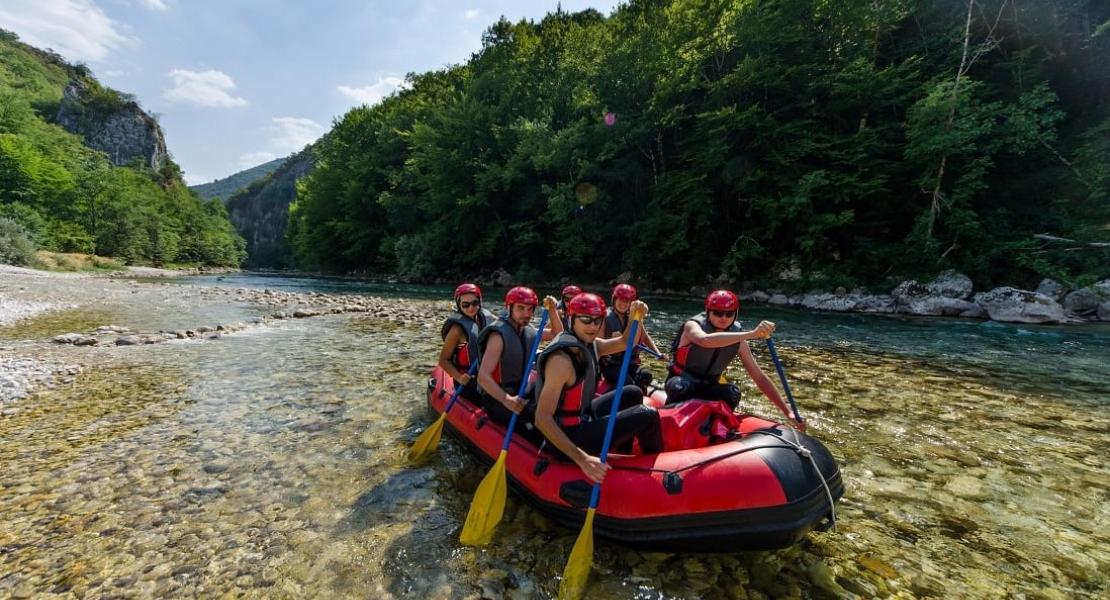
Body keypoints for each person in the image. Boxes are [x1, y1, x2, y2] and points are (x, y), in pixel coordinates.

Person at [532, 293, 663, 484]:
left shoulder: (591, 344)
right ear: (571, 318)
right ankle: (658, 472)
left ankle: (622, 453)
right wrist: (582, 459)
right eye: (586, 320)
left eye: (597, 321)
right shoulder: (561, 361)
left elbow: (626, 342)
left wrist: (637, 316)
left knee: (633, 392)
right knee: (648, 414)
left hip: (582, 416)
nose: (593, 326)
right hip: (567, 437)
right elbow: (541, 419)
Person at [666, 290, 799, 428]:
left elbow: (760, 378)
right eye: (718, 313)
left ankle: (715, 429)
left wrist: (787, 411)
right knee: (680, 388)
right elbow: (704, 340)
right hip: (684, 381)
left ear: (735, 314)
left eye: (729, 314)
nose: (724, 318)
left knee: (732, 393)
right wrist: (752, 334)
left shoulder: (739, 340)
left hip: (709, 387)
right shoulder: (692, 326)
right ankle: (671, 426)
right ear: (708, 311)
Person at [476, 286, 562, 425]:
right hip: (498, 399)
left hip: (522, 388)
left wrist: (552, 310)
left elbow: (556, 334)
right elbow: (482, 376)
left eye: (530, 309)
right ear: (509, 308)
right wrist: (506, 399)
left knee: (555, 396)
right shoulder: (498, 336)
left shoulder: (529, 331)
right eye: (520, 308)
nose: (526, 314)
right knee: (540, 413)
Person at [437, 283, 496, 402]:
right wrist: (459, 377)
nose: (471, 308)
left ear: (480, 301)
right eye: (465, 305)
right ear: (459, 305)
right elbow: (443, 360)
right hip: (469, 379)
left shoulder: (486, 317)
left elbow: (508, 325)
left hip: (487, 373)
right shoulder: (457, 330)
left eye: (475, 303)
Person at [599, 284, 662, 392]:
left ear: (631, 303)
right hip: (612, 364)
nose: (623, 304)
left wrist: (658, 353)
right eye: (620, 300)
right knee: (627, 382)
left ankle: (639, 399)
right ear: (614, 299)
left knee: (645, 375)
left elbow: (645, 338)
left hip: (630, 362)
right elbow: (597, 343)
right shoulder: (605, 317)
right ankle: (614, 397)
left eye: (627, 301)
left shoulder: (635, 317)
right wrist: (611, 339)